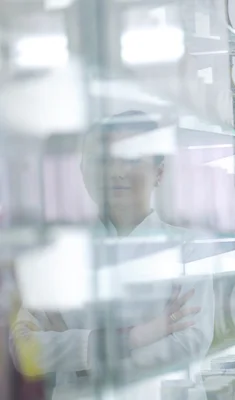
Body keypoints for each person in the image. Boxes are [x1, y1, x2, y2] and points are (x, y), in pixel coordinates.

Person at [10, 111, 215, 399]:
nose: (116, 172)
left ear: (159, 171)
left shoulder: (190, 247)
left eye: (131, 158)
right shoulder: (57, 254)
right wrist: (137, 338)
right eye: (104, 160)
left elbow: (188, 343)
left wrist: (83, 360)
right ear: (83, 171)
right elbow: (25, 349)